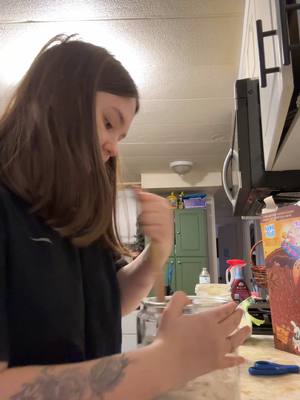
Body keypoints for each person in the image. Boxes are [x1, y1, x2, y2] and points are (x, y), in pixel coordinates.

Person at [0, 34, 250, 399]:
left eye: (121, 134)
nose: (114, 147)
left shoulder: (76, 214)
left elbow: (110, 302)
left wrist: (157, 253)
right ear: (57, 103)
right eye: (107, 122)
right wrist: (165, 362)